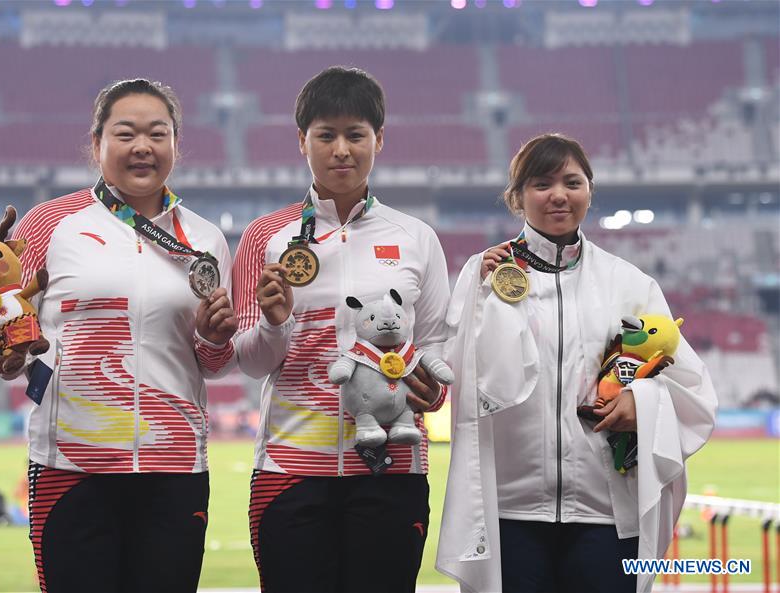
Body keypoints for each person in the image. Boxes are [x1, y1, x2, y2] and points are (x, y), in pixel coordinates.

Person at [0, 78, 238, 593]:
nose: (142, 146)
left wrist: (213, 338)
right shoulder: (49, 225)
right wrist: (5, 356)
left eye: (157, 134)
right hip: (70, 465)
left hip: (175, 467)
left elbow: (213, 360)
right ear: (97, 145)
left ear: (175, 146)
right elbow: (12, 333)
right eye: (126, 133)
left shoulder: (206, 239)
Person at [435, 133, 717, 593]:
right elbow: (461, 374)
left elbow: (690, 384)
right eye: (542, 183)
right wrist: (486, 297)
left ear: (590, 190)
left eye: (572, 182)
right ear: (517, 196)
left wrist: (639, 401)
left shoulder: (630, 284)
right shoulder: (485, 274)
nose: (559, 195)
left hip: (606, 514)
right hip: (510, 509)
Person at [231, 66, 451, 592]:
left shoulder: (417, 238)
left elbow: (440, 344)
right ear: (302, 141)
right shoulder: (265, 237)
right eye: (326, 135)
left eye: (356, 134)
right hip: (290, 470)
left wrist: (431, 390)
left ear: (379, 139)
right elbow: (250, 360)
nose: (341, 150)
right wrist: (274, 323)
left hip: (392, 472)